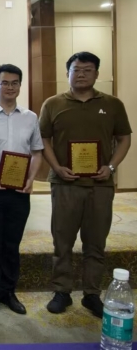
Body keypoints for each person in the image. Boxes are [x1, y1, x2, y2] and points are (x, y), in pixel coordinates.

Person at [39, 52, 132, 318]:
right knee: (62, 240)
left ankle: (92, 293)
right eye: (76, 69)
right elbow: (44, 139)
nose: (81, 74)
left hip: (100, 184)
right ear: (67, 73)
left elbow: (124, 138)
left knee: (96, 241)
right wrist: (57, 167)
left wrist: (111, 167)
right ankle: (62, 291)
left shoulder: (112, 104)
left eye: (87, 70)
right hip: (64, 183)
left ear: (96, 74)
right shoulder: (53, 104)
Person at [0, 64, 44, 315]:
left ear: (20, 86)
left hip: (19, 191)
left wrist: (31, 179)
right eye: (4, 83)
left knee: (12, 243)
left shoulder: (30, 117)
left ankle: (8, 291)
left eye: (14, 83)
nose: (10, 87)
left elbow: (36, 152)